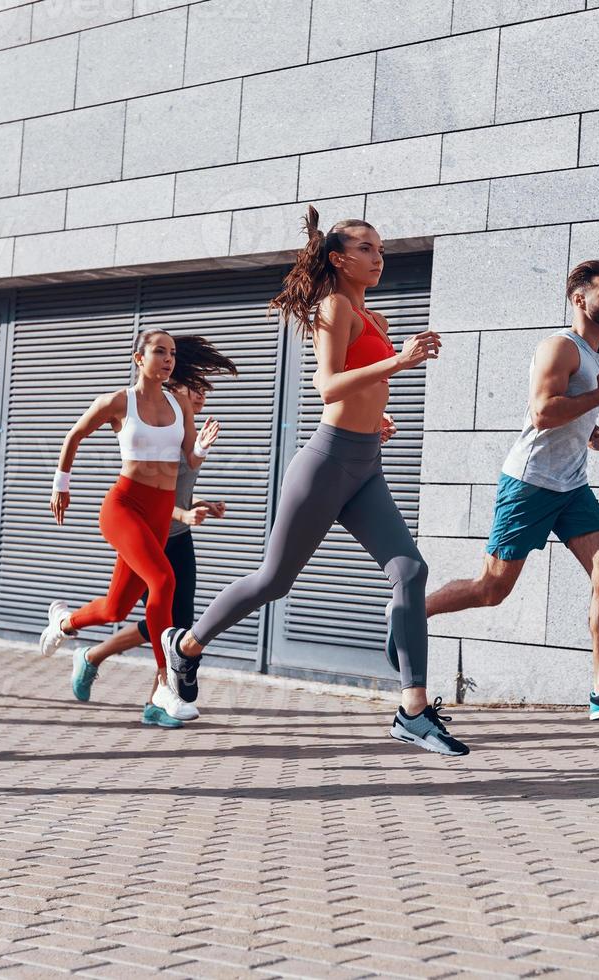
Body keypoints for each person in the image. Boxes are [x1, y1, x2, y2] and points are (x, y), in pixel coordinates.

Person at [159, 207, 466, 756]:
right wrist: (399, 364)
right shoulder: (334, 307)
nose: (379, 257)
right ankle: (186, 645)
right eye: (367, 248)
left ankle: (412, 710)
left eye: (381, 248)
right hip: (325, 464)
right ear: (339, 258)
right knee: (274, 580)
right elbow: (328, 385)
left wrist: (377, 416)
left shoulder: (377, 319)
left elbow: (359, 387)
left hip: (365, 463)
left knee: (410, 569)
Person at [423, 259, 599, 720]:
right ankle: (411, 612)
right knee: (492, 589)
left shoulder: (597, 357)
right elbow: (543, 413)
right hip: (530, 484)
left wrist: (592, 430)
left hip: (571, 486)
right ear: (579, 299)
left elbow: (567, 414)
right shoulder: (559, 347)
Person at [36, 331, 231, 728]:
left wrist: (204, 448)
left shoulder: (180, 405)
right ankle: (165, 686)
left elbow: (189, 461)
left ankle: (64, 622)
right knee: (163, 582)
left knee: (116, 608)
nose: (168, 359)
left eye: (172, 354)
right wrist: (61, 485)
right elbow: (74, 436)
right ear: (138, 358)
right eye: (159, 352)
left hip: (160, 513)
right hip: (124, 506)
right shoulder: (118, 402)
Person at [66, 380, 231, 703]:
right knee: (164, 618)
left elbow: (175, 492)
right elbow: (155, 497)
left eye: (205, 390)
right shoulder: (165, 432)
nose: (200, 396)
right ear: (173, 393)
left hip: (179, 539)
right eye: (193, 388)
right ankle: (161, 696)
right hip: (149, 537)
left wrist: (200, 505)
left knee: (174, 622)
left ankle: (101, 662)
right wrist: (183, 514)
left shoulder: (190, 438)